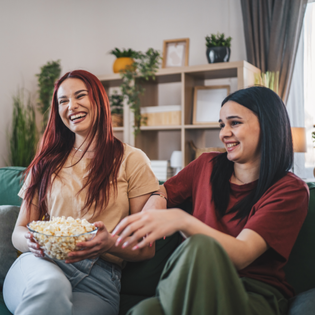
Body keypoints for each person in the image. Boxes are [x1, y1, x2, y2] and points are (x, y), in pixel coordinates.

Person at [112, 86, 310, 315]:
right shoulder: (206, 165)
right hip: (190, 283)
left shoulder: (290, 190)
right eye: (221, 124)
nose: (223, 133)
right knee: (143, 311)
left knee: (201, 245)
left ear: (268, 125)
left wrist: (182, 220)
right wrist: (158, 197)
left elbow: (242, 253)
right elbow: (164, 191)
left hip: (251, 294)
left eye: (234, 123)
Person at [3, 70, 159, 315]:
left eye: (80, 96)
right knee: (50, 287)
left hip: (98, 280)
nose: (71, 106)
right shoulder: (46, 163)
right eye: (63, 101)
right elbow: (19, 231)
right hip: (42, 265)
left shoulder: (132, 160)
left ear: (98, 100)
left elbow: (147, 248)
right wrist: (32, 242)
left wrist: (109, 244)